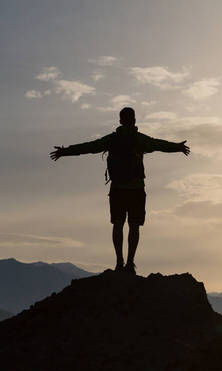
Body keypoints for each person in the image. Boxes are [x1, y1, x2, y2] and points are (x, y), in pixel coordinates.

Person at [50, 107, 190, 274]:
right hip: (136, 188)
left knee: (117, 224)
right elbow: (158, 144)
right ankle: (130, 263)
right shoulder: (139, 139)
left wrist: (65, 151)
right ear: (134, 120)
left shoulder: (112, 140)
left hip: (117, 189)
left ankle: (119, 262)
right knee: (134, 226)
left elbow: (89, 147)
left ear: (120, 120)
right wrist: (177, 147)